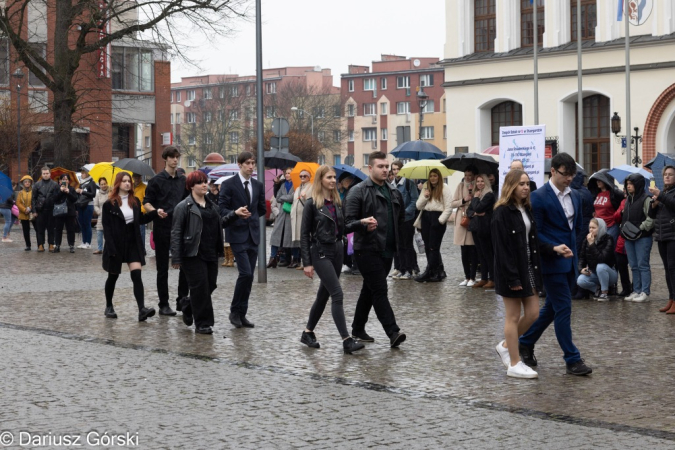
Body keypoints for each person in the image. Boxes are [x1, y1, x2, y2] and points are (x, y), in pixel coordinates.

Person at [519, 153, 593, 376]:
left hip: (569, 261)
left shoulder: (576, 196)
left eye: (572, 175)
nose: (569, 179)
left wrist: (576, 254)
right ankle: (572, 359)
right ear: (553, 171)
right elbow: (535, 234)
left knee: (552, 308)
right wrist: (553, 248)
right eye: (565, 174)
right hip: (550, 262)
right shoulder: (539, 197)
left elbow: (578, 228)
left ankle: (525, 341)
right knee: (563, 308)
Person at [299, 165, 365, 354]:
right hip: (320, 253)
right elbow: (304, 235)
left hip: (337, 251)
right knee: (337, 293)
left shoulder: (337, 202)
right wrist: (307, 263)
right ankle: (346, 340)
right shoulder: (312, 204)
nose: (332, 180)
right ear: (320, 180)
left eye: (334, 177)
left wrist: (361, 223)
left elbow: (343, 229)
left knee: (324, 294)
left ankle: (308, 332)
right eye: (329, 177)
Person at [344, 151, 406, 348]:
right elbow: (346, 224)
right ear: (370, 168)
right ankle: (393, 332)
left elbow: (401, 219)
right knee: (379, 289)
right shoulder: (358, 191)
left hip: (387, 250)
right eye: (381, 166)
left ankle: (358, 329)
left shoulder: (394, 192)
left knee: (369, 290)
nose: (385, 170)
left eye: (387, 166)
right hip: (366, 249)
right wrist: (362, 223)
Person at [493, 170, 543, 379]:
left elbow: (532, 241)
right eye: (521, 184)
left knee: (533, 314)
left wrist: (552, 249)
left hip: (528, 268)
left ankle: (505, 345)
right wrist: (512, 277)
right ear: (511, 186)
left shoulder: (526, 208)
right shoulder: (501, 212)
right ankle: (514, 363)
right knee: (512, 316)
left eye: (527, 184)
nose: (525, 187)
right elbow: (501, 249)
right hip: (510, 271)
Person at [171, 171, 225, 335]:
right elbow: (176, 232)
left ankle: (187, 304)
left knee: (211, 285)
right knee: (200, 287)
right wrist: (176, 257)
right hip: (192, 254)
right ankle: (203, 323)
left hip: (211, 252)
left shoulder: (212, 206)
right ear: (191, 186)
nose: (204, 185)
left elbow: (221, 223)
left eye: (205, 182)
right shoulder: (183, 206)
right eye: (200, 182)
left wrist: (236, 215)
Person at [218, 151, 266, 329]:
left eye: (253, 163)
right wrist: (236, 213)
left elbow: (261, 209)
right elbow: (221, 209)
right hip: (237, 234)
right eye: (247, 163)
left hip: (253, 234)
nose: (251, 166)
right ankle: (234, 311)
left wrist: (251, 217)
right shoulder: (229, 184)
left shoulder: (258, 185)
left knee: (250, 276)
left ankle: (242, 313)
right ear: (239, 164)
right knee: (245, 273)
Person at [102, 172, 157, 321]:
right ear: (118, 183)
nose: (128, 183)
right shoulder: (109, 204)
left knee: (137, 275)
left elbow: (141, 220)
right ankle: (109, 306)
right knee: (113, 276)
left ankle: (141, 310)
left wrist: (155, 213)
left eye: (129, 181)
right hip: (116, 242)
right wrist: (111, 249)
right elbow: (106, 228)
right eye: (124, 181)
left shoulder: (135, 201)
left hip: (132, 241)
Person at [143, 146, 189, 316]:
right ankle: (163, 304)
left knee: (185, 265)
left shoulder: (183, 181)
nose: (175, 160)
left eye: (177, 157)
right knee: (162, 268)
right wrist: (155, 211)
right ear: (166, 159)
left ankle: (182, 300)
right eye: (172, 157)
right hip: (162, 227)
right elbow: (146, 202)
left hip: (180, 229)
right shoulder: (156, 181)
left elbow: (188, 201)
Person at [620, 173, 654, 303]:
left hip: (642, 237)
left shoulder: (646, 199)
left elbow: (651, 218)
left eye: (631, 184)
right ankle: (637, 290)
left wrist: (641, 227)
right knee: (633, 265)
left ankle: (645, 291)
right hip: (629, 236)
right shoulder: (628, 199)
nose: (628, 187)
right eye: (627, 184)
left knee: (642, 264)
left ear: (638, 184)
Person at [414, 168, 452, 282]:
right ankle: (437, 271)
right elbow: (418, 206)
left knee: (433, 247)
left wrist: (440, 220)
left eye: (435, 176)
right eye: (431, 176)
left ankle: (431, 271)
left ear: (439, 177)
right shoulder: (426, 187)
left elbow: (449, 207)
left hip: (437, 217)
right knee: (427, 246)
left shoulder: (444, 188)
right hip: (426, 217)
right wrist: (425, 196)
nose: (433, 178)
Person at [649, 165, 675, 313]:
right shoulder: (663, 192)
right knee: (667, 269)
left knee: (673, 268)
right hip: (661, 234)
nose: (667, 177)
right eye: (665, 174)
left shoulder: (667, 193)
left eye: (670, 174)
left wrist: (661, 196)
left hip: (673, 234)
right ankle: (671, 298)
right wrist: (654, 204)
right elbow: (652, 216)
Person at [391, 160, 419, 281]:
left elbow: (414, 201)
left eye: (398, 169)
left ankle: (410, 269)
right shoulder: (391, 184)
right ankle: (402, 269)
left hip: (407, 219)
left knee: (407, 245)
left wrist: (405, 212)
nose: (396, 172)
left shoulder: (408, 183)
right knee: (399, 245)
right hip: (396, 220)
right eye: (394, 169)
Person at [576, 218, 617, 301]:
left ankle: (604, 293)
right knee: (580, 280)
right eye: (590, 227)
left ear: (600, 228)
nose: (591, 230)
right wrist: (581, 269)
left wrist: (592, 245)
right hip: (594, 272)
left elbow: (602, 259)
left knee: (600, 267)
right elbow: (582, 258)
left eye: (594, 228)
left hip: (609, 274)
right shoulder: (586, 240)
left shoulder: (608, 239)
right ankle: (598, 290)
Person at [450, 165, 478, 286]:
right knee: (464, 251)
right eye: (465, 175)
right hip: (462, 219)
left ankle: (473, 277)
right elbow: (453, 203)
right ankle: (466, 277)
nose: (467, 177)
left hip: (473, 219)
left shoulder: (477, 185)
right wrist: (463, 200)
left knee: (473, 250)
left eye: (469, 175)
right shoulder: (460, 186)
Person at [466, 173, 496, 288]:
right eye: (478, 181)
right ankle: (484, 278)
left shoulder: (489, 195)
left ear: (486, 182)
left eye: (482, 181)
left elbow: (478, 207)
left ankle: (492, 278)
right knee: (480, 254)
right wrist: (476, 212)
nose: (479, 183)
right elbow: (470, 211)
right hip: (476, 227)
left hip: (485, 228)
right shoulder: (476, 195)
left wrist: (476, 200)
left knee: (488, 253)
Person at [268, 167, 294, 268]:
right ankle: (273, 258)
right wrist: (277, 184)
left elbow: (293, 197)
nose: (287, 175)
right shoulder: (282, 184)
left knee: (289, 238)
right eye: (286, 173)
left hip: (291, 214)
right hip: (282, 214)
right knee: (276, 236)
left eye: (289, 173)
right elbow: (277, 198)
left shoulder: (296, 185)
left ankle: (289, 258)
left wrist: (284, 198)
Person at [588, 169, 624, 243]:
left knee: (608, 250)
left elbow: (621, 205)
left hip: (611, 226)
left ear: (606, 180)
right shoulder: (596, 193)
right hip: (598, 227)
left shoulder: (615, 193)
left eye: (600, 180)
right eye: (597, 180)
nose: (598, 182)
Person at [289, 169, 313, 269]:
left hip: (305, 216)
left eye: (305, 176)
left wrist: (305, 196)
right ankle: (303, 262)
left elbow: (312, 201)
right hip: (296, 217)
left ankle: (308, 263)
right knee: (300, 240)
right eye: (301, 176)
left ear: (309, 177)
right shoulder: (298, 188)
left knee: (306, 239)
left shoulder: (311, 187)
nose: (302, 177)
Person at [31, 167, 59, 252]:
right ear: (41, 174)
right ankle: (40, 245)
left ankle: (51, 244)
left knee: (51, 229)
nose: (45, 175)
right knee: (40, 229)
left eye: (47, 173)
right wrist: (34, 211)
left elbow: (58, 197)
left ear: (50, 174)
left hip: (51, 210)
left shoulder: (55, 184)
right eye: (44, 173)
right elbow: (33, 199)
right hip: (40, 211)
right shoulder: (37, 184)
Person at [612, 194, 632, 297]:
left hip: (634, 236)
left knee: (636, 266)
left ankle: (636, 287)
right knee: (620, 263)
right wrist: (621, 212)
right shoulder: (624, 201)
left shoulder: (643, 199)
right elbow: (616, 217)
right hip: (622, 237)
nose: (625, 189)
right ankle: (626, 287)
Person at [52, 174, 78, 253]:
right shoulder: (56, 188)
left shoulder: (72, 189)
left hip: (70, 212)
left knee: (70, 230)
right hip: (59, 212)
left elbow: (75, 199)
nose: (65, 181)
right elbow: (54, 198)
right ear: (60, 181)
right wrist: (61, 191)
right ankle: (57, 245)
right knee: (58, 230)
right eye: (63, 179)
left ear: (69, 181)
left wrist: (68, 192)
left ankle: (71, 245)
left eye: (66, 179)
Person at [76, 166, 97, 249]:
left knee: (87, 223)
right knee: (82, 223)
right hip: (80, 204)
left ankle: (88, 242)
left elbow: (93, 194)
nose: (82, 175)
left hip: (88, 204)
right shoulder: (80, 183)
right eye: (81, 173)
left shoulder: (92, 182)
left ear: (88, 174)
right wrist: (78, 191)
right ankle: (83, 241)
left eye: (84, 173)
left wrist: (82, 191)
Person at [15, 175, 35, 250]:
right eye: (25, 182)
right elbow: (18, 202)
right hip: (23, 214)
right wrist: (24, 209)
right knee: (26, 231)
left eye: (28, 182)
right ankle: (28, 245)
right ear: (23, 183)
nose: (27, 183)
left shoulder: (33, 192)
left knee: (37, 229)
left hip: (32, 213)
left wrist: (29, 208)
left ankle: (40, 244)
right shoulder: (20, 193)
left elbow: (34, 201)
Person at [93, 177, 110, 255]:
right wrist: (98, 211)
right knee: (99, 232)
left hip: (109, 216)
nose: (103, 185)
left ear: (107, 183)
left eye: (104, 184)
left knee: (108, 233)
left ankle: (108, 248)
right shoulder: (98, 194)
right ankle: (100, 248)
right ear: (99, 185)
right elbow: (95, 205)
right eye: (101, 184)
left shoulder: (111, 192)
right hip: (101, 216)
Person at [132, 173, 148, 248]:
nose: (137, 179)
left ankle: (142, 249)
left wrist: (141, 211)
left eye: (138, 177)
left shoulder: (144, 187)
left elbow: (146, 201)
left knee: (141, 233)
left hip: (140, 213)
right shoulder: (130, 187)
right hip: (131, 213)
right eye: (135, 177)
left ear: (141, 177)